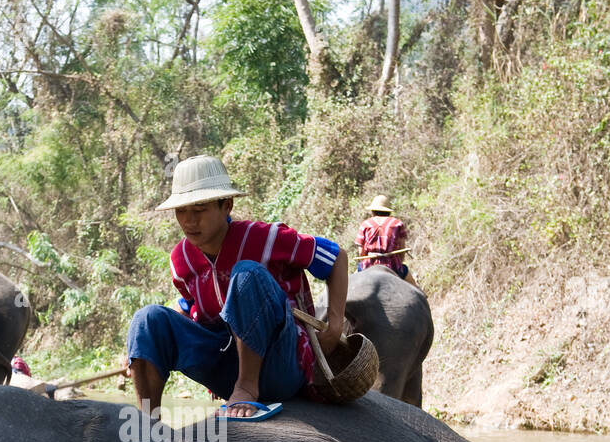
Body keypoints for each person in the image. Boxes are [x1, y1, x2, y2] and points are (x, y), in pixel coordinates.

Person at [126, 154, 347, 420]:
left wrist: (334, 325)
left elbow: (335, 257)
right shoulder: (180, 260)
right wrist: (141, 346)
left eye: (199, 210)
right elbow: (189, 307)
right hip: (224, 364)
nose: (189, 221)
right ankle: (149, 420)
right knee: (147, 319)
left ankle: (247, 388)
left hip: (281, 362)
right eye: (181, 211)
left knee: (246, 274)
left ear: (226, 206)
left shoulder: (266, 238)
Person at [355, 194, 419, 289]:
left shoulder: (365, 224)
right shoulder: (397, 224)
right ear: (388, 211)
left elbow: (361, 253)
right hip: (393, 266)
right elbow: (401, 251)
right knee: (417, 292)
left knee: (347, 289)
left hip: (368, 265)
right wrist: (398, 263)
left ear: (373, 211)